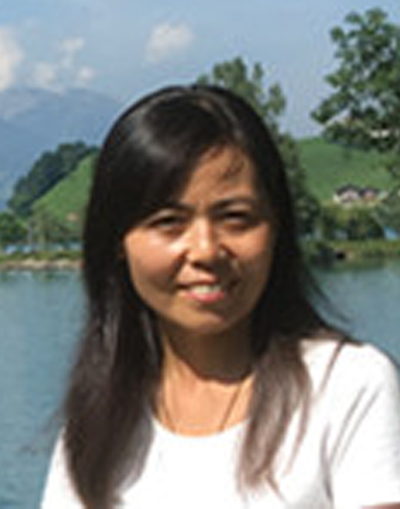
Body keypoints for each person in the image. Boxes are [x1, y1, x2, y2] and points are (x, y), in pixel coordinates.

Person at [41, 84, 400, 509]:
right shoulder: (96, 424)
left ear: (276, 227)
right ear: (119, 242)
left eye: (236, 218)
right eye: (169, 222)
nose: (206, 250)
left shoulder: (347, 385)